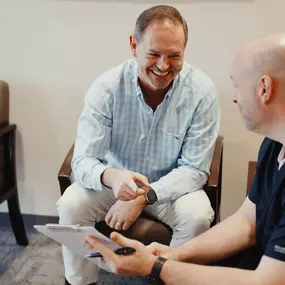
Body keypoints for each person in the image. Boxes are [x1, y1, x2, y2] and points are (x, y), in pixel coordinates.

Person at [84, 33, 285, 285]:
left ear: (264, 88)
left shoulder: (199, 90)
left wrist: (155, 266)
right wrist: (175, 255)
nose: (234, 98)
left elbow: (270, 282)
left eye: (237, 85)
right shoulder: (273, 144)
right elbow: (247, 222)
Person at [57, 4, 219, 285]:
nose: (163, 66)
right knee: (71, 205)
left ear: (185, 50)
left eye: (174, 56)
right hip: (115, 185)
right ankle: (82, 281)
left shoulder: (202, 92)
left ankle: (172, 278)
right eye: (154, 54)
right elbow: (83, 161)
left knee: (198, 216)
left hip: (172, 188)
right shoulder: (106, 88)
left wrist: (146, 195)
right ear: (133, 45)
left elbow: (194, 169)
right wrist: (112, 176)